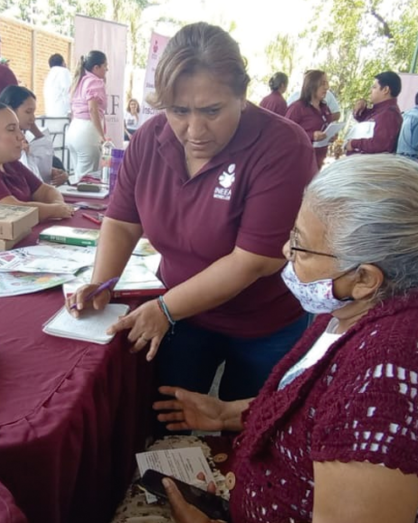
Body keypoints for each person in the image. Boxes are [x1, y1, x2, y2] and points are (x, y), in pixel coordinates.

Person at [149, 155, 418, 523]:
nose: (285, 253)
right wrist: (228, 414)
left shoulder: (393, 382)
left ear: (364, 279)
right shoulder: (381, 302)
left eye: (300, 246)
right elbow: (319, 408)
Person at [68, 22, 316, 404]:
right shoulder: (150, 139)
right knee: (168, 416)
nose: (195, 130)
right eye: (178, 111)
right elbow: (121, 221)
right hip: (184, 316)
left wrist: (166, 309)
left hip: (264, 322)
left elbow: (253, 261)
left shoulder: (283, 145)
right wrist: (103, 283)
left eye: (212, 111)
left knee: (249, 431)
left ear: (242, 96)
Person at [0, 85, 67, 185]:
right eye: (28, 112)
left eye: (33, 113)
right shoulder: (2, 142)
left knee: (57, 162)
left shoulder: (24, 136)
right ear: (10, 110)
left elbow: (39, 165)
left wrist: (53, 172)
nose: (33, 119)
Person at [67, 50, 108, 180]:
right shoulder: (95, 82)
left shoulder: (79, 81)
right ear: (96, 67)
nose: (107, 69)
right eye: (105, 66)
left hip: (73, 131)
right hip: (87, 133)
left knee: (78, 177)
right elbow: (93, 110)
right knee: (88, 180)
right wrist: (102, 136)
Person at [343, 71, 403, 155]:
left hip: (368, 165)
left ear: (385, 90)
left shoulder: (389, 114)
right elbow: (366, 124)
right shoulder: (379, 110)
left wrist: (353, 143)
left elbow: (379, 144)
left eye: (374, 87)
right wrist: (360, 110)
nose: (371, 90)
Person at [285, 70, 335, 167]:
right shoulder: (297, 108)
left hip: (318, 160)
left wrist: (330, 136)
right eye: (323, 83)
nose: (327, 87)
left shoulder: (324, 108)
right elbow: (285, 134)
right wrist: (311, 136)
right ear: (312, 85)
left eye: (327, 83)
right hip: (300, 162)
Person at [43, 53, 72, 118]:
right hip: (63, 113)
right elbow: (69, 91)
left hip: (50, 114)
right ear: (63, 63)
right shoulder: (64, 71)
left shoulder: (49, 76)